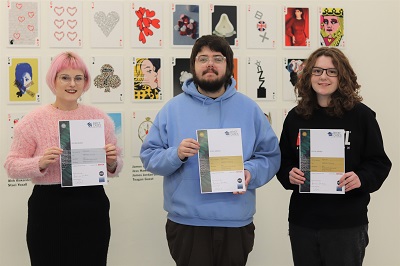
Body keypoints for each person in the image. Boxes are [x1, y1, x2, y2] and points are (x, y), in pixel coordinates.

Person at [140, 34, 280, 266]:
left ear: (228, 65)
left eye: (217, 58)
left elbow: (269, 156)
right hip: (187, 222)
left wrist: (250, 172)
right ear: (193, 65)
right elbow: (149, 156)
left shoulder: (249, 109)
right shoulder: (172, 109)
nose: (210, 64)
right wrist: (176, 154)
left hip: (235, 222)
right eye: (202, 58)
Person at [4, 51, 123, 266]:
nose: (72, 84)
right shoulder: (33, 120)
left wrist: (112, 161)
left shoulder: (100, 118)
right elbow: (11, 165)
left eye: (79, 78)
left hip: (92, 206)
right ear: (53, 80)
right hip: (49, 208)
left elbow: (116, 164)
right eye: (65, 77)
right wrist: (38, 163)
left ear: (86, 82)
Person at [276, 47, 391, 266]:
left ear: (343, 76)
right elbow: (282, 161)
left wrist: (361, 178)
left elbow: (379, 162)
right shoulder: (296, 117)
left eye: (331, 72)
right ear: (308, 76)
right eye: (317, 71)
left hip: (346, 224)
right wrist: (289, 174)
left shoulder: (361, 116)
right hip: (304, 222)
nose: (323, 77)